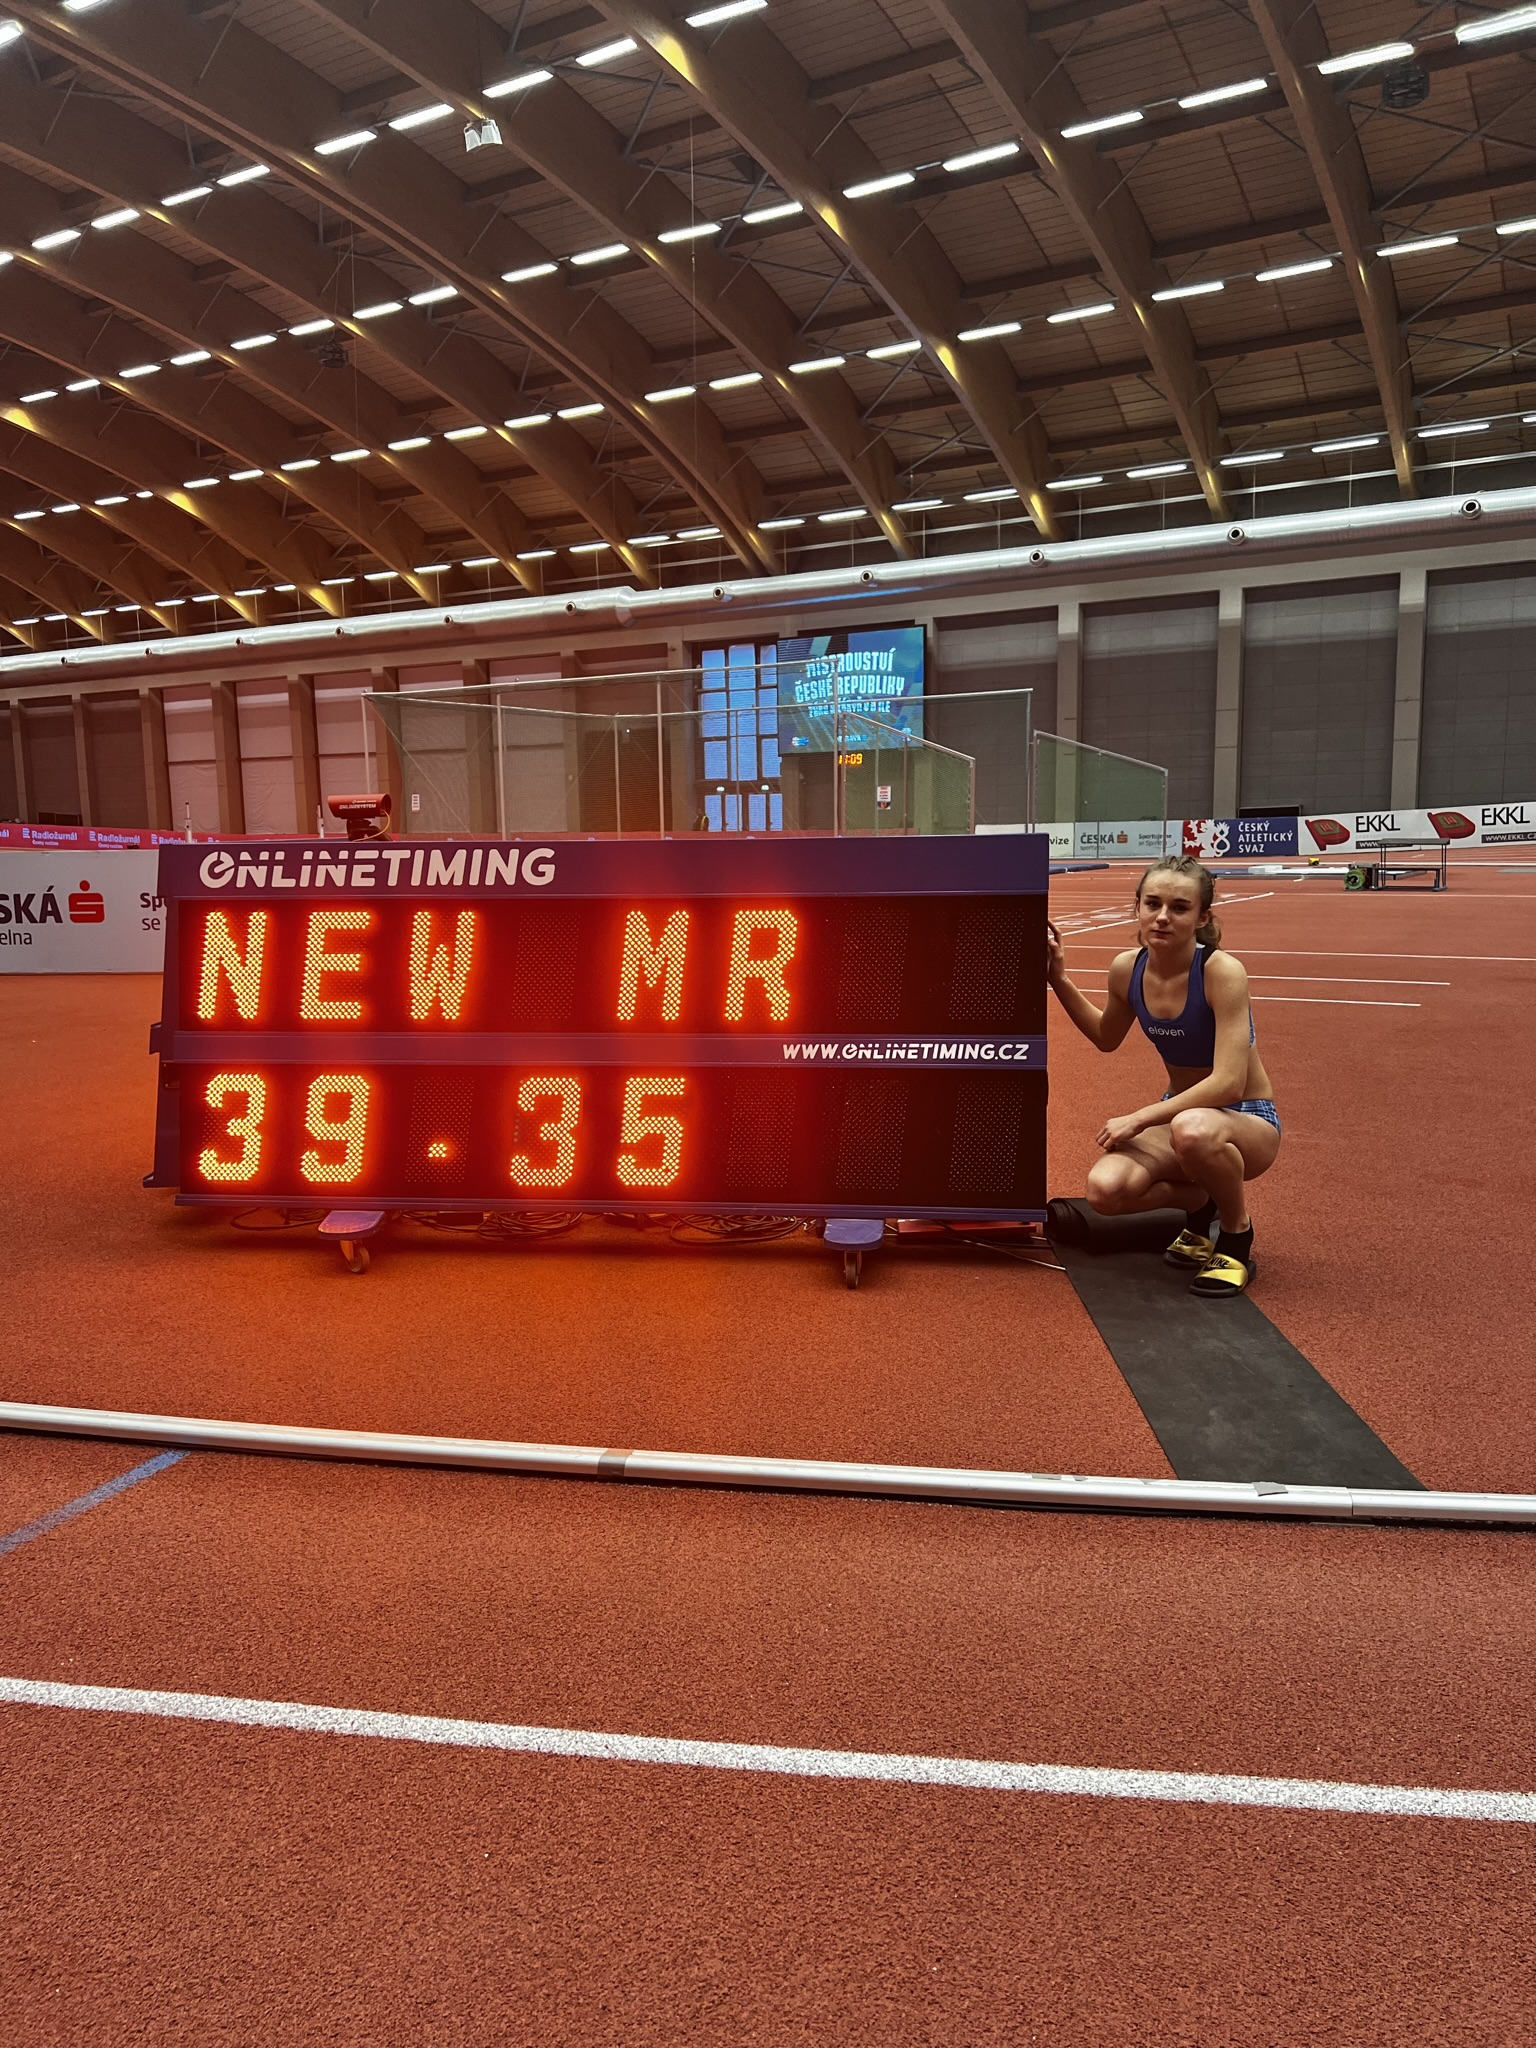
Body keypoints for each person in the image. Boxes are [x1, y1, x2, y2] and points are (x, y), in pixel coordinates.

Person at [1046, 853, 1279, 1296]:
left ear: (1202, 917)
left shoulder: (1221, 972)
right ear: (1137, 907)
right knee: (1106, 1191)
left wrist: (1140, 1118)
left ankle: (1235, 1234)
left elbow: (1228, 1083)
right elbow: (1105, 1036)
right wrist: (1058, 978)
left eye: (1180, 907)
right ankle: (1201, 1202)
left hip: (1246, 1118)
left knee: (1193, 1129)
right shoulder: (1127, 968)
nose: (1163, 917)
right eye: (1152, 904)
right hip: (1182, 1118)